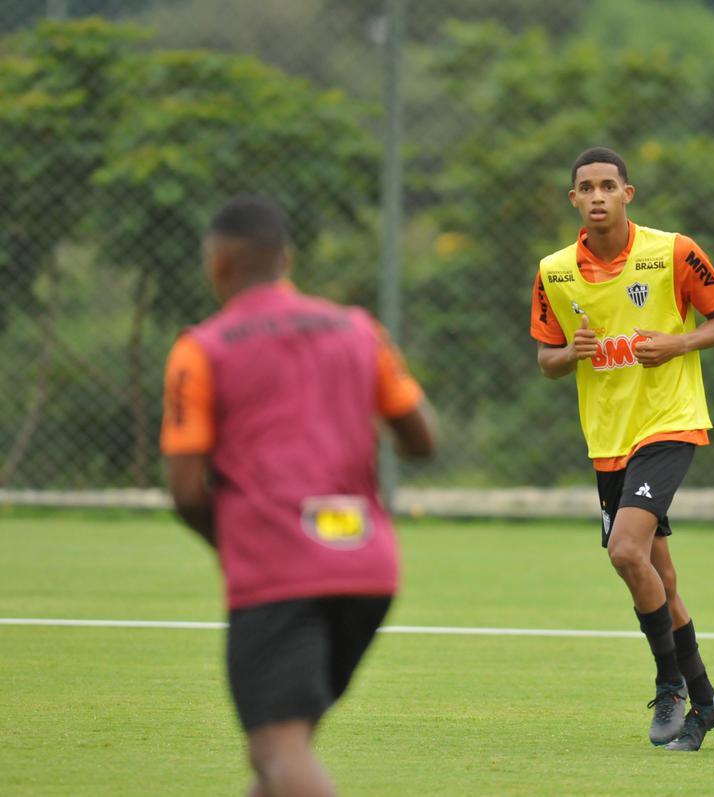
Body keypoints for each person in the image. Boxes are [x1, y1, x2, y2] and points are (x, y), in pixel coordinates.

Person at [161, 196, 436, 796]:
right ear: (286, 258)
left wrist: (236, 539)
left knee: (277, 750)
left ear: (220, 262)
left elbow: (184, 490)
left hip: (279, 571)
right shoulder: (359, 329)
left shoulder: (202, 349)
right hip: (367, 568)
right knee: (281, 756)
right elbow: (422, 439)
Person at [530, 147, 714, 751]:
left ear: (629, 193)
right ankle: (704, 702)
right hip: (608, 440)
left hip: (670, 423)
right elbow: (546, 360)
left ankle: (669, 683)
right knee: (660, 576)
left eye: (607, 186)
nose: (597, 196)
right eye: (585, 188)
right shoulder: (554, 272)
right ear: (573, 199)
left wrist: (676, 344)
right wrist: (572, 353)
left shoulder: (673, 251)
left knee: (626, 552)